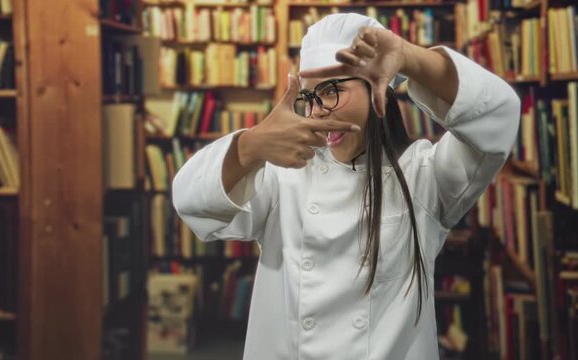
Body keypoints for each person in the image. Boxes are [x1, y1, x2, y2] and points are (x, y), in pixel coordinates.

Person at [172, 12, 520, 360]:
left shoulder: (423, 176)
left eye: (332, 89)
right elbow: (191, 202)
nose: (318, 112)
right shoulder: (284, 175)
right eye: (308, 97)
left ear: (377, 86)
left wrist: (411, 57)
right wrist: (250, 146)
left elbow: (499, 115)